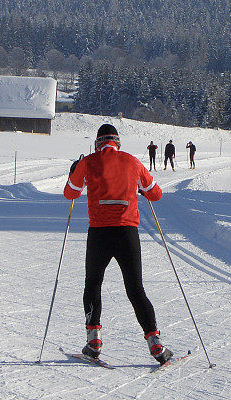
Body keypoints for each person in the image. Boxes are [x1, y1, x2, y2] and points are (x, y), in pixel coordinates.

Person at [63, 124, 174, 364]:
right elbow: (156, 194)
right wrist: (142, 190)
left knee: (93, 284)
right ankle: (155, 344)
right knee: (135, 289)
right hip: (127, 233)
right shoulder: (132, 162)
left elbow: (70, 194)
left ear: (98, 143)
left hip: (99, 234)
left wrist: (74, 172)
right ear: (117, 142)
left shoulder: (88, 162)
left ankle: (93, 341)